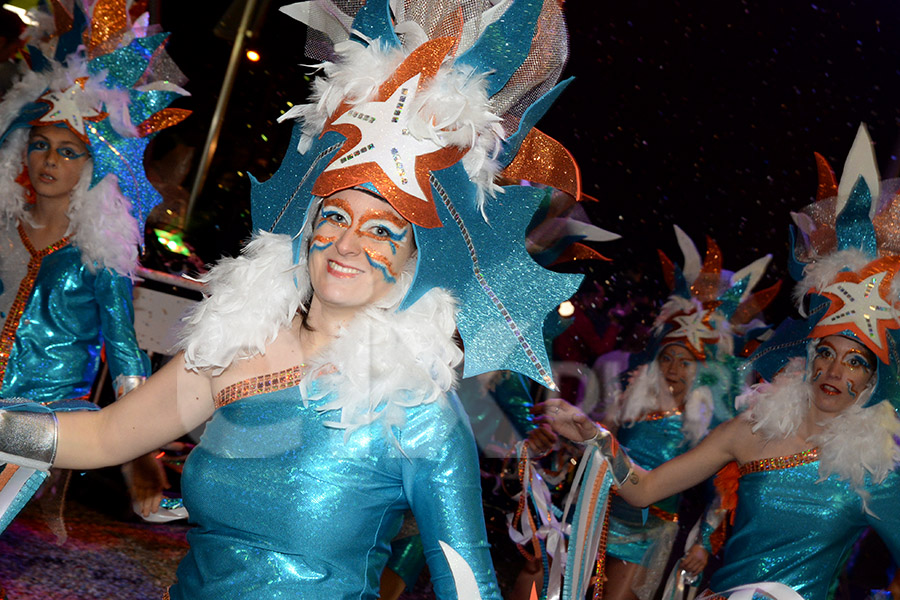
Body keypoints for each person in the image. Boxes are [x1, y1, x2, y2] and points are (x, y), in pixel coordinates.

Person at [0, 0, 589, 597]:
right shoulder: (235, 347)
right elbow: (100, 439)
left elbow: (469, 587)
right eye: (335, 215)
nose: (348, 243)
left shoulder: (421, 418)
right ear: (307, 228)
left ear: (420, 258)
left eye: (383, 229)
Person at [533, 125, 900, 600]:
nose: (834, 371)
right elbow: (643, 490)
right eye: (826, 353)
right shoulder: (750, 432)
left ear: (873, 378)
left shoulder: (878, 472)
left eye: (855, 362)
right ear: (807, 357)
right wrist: (595, 438)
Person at [0, 0, 189, 529]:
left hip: (43, 423)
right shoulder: (1, 231)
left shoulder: (100, 255)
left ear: (95, 165)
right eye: (40, 145)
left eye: (68, 150)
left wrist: (142, 467)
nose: (49, 161)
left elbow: (127, 363)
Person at [530, 226, 779, 600]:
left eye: (685, 362)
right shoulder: (629, 399)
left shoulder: (712, 421)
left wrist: (704, 545)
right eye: (668, 358)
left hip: (649, 532)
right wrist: (563, 450)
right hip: (597, 516)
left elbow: (721, 491)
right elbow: (597, 445)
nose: (674, 369)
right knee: (550, 589)